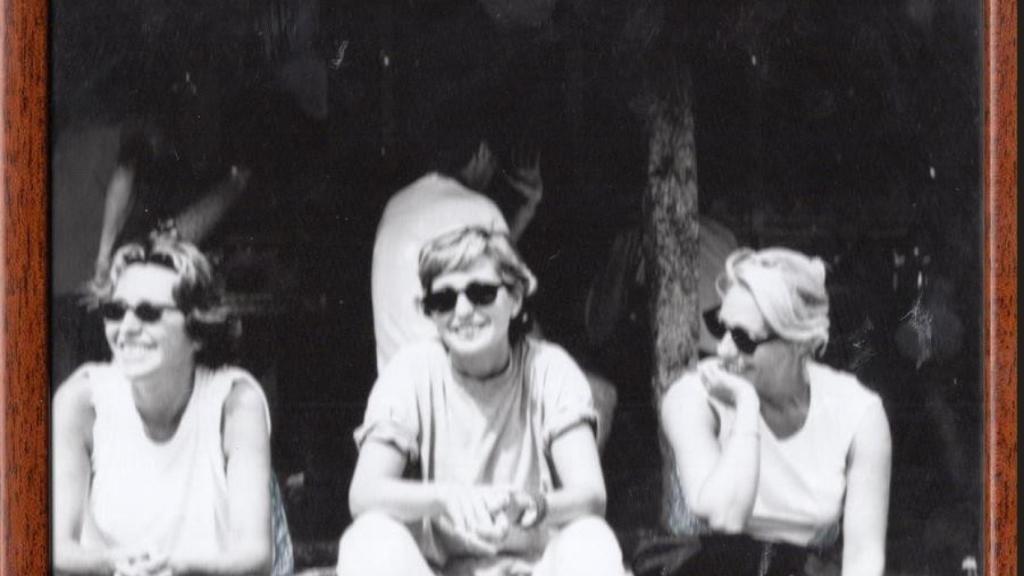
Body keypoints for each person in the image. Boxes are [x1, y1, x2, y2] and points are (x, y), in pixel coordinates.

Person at [339, 227, 623, 576]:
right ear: (426, 311)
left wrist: (530, 505)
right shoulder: (411, 371)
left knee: (592, 538)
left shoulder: (548, 368)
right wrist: (445, 497)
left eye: (481, 293)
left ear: (516, 298)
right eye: (443, 300)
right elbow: (364, 493)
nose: (462, 311)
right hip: (437, 569)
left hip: (533, 567)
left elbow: (591, 496)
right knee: (367, 539)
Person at [52, 233, 291, 576]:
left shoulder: (235, 402)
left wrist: (175, 565)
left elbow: (255, 556)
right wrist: (115, 563)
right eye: (115, 311)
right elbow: (55, 548)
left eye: (149, 313)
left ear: (197, 330)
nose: (127, 328)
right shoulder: (81, 401)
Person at [658, 248, 891, 576]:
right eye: (719, 327)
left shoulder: (858, 412)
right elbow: (725, 516)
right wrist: (747, 407)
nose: (723, 349)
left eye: (744, 338)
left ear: (801, 345)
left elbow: (863, 558)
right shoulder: (691, 397)